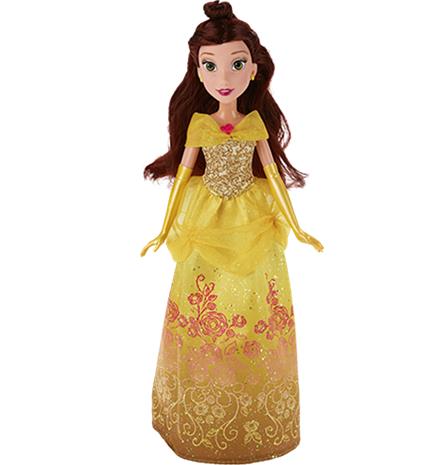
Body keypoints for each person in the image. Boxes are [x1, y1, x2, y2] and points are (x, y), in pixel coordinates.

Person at [141, 1, 324, 462]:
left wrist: (297, 227)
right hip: (206, 220)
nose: (224, 76)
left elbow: (273, 175)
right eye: (211, 65)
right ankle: (202, 408)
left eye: (236, 64)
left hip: (252, 219)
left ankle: (251, 403)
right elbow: (183, 176)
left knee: (253, 305)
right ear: (198, 71)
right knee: (205, 307)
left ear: (254, 70)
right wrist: (164, 229)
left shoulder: (254, 123)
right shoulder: (200, 124)